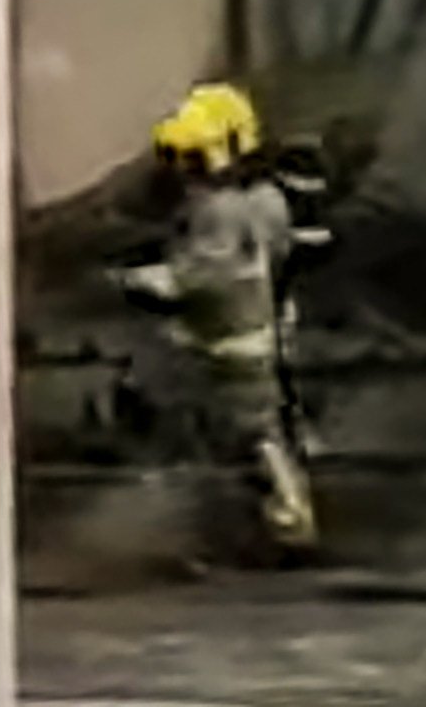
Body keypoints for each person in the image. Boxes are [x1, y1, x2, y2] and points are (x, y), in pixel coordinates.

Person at [118, 83, 318, 559]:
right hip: (242, 334)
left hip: (225, 341)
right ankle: (242, 509)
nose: (186, 172)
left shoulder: (220, 211)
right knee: (238, 426)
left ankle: (285, 515)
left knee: (246, 429)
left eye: (193, 159)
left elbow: (199, 276)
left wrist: (138, 279)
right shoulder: (268, 201)